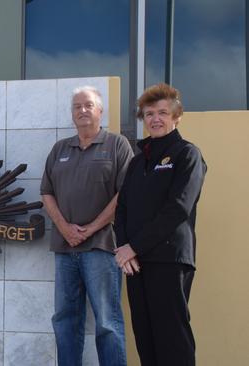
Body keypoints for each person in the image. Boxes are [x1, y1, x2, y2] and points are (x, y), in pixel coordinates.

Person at [114, 83, 206, 366]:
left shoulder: (187, 154)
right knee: (146, 338)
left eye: (163, 113)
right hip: (136, 262)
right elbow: (123, 209)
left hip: (169, 259)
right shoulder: (138, 161)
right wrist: (123, 249)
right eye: (150, 113)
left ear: (176, 117)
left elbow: (178, 208)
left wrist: (133, 247)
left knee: (172, 339)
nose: (155, 118)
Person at [40, 86, 133, 366]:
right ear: (72, 114)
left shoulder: (117, 145)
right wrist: (65, 228)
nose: (82, 110)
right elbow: (46, 192)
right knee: (65, 320)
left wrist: (91, 228)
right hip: (64, 248)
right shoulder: (60, 149)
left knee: (107, 321)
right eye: (77, 106)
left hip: (102, 248)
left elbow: (125, 194)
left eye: (88, 105)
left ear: (100, 111)